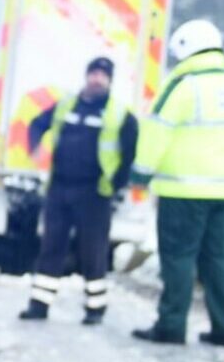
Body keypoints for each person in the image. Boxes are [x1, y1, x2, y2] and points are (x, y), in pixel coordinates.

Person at [130, 18, 224, 347]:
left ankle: (171, 326)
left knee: (178, 258)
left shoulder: (182, 87)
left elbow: (156, 134)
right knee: (217, 258)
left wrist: (140, 175)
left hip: (181, 191)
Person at [17, 55, 139, 324]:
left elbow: (130, 153)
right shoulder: (66, 105)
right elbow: (38, 123)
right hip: (60, 187)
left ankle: (95, 309)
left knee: (92, 251)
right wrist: (35, 146)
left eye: (103, 76)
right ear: (86, 76)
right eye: (93, 74)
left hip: (94, 193)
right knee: (51, 248)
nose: (97, 79)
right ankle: (39, 305)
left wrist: (115, 186)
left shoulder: (119, 114)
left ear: (109, 81)